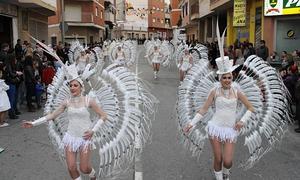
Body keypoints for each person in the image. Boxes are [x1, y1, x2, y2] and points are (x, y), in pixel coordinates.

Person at [22, 68, 107, 180]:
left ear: (81, 87)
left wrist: (93, 130)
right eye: (70, 86)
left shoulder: (88, 100)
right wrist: (33, 123)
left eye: (75, 85)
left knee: (84, 168)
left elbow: (103, 116)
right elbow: (52, 115)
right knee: (71, 168)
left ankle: (92, 174)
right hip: (70, 137)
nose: (72, 88)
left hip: (85, 138)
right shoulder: (67, 102)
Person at [184, 55, 254, 180]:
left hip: (230, 129)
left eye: (229, 77)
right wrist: (192, 123)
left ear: (232, 78)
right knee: (218, 158)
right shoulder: (214, 91)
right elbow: (204, 109)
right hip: (215, 128)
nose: (227, 80)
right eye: (224, 78)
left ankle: (226, 173)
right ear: (220, 79)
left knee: (227, 161)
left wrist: (243, 121)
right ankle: (219, 178)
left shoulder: (237, 92)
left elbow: (250, 108)